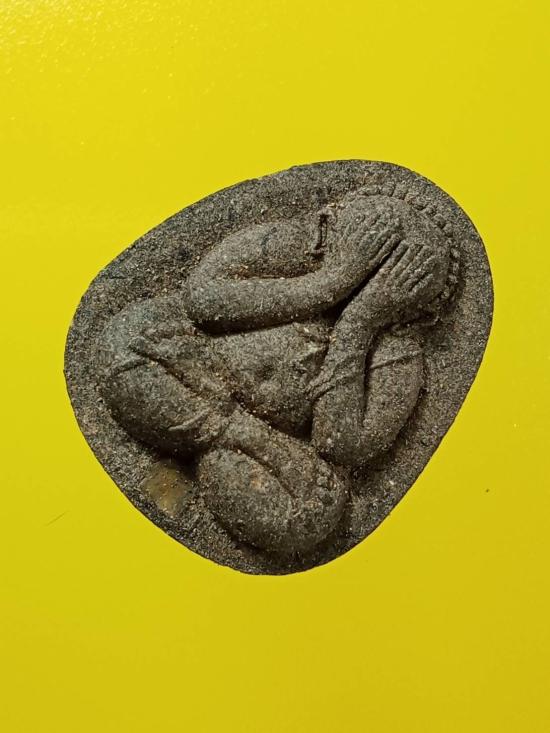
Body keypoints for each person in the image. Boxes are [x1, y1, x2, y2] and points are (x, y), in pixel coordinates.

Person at [97, 187, 457, 555]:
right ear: (331, 225)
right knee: (124, 340)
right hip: (190, 371)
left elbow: (342, 445)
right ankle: (239, 433)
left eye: (408, 272)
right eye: (374, 238)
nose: (377, 272)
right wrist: (329, 282)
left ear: (423, 308)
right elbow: (200, 299)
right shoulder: (296, 247)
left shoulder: (398, 351)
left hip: (261, 450)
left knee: (308, 519)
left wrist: (359, 324)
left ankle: (229, 439)